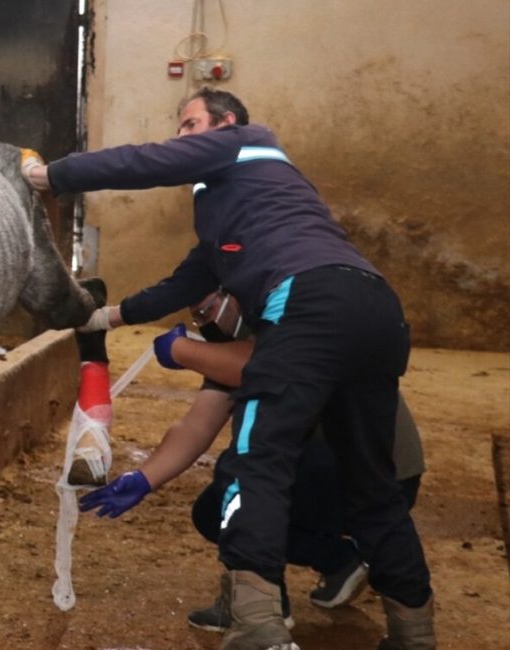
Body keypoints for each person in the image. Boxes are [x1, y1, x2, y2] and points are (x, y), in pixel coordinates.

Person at [22, 88, 434, 650]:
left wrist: (53, 176)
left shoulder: (249, 143)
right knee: (373, 485)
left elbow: (146, 161)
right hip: (375, 310)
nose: (181, 137)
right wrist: (105, 317)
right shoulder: (237, 214)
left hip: (309, 301)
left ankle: (259, 627)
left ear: (228, 124)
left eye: (191, 124)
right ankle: (415, 633)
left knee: (256, 466)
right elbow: (185, 283)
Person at [145, 290, 426, 633]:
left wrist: (183, 350)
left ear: (234, 295)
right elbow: (196, 425)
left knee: (246, 475)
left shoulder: (281, 330)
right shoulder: (261, 335)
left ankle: (264, 607)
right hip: (376, 479)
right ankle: (338, 559)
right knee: (210, 509)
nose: (205, 323)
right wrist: (142, 480)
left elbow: (261, 368)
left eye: (208, 309)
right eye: (197, 317)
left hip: (369, 480)